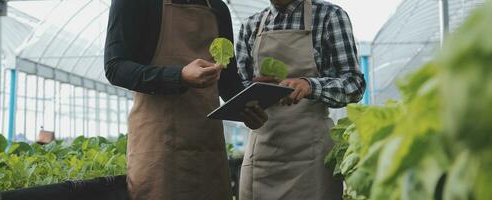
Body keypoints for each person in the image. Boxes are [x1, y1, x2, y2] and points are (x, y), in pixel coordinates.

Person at [104, 0, 268, 199]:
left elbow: (228, 82)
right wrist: (179, 76)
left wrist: (250, 104)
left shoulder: (217, 8)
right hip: (158, 147)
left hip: (207, 145)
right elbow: (115, 67)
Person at [236, 0, 366, 199]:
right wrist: (252, 93)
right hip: (262, 157)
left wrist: (310, 86)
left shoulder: (329, 16)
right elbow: (239, 91)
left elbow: (354, 84)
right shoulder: (251, 25)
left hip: (311, 155)